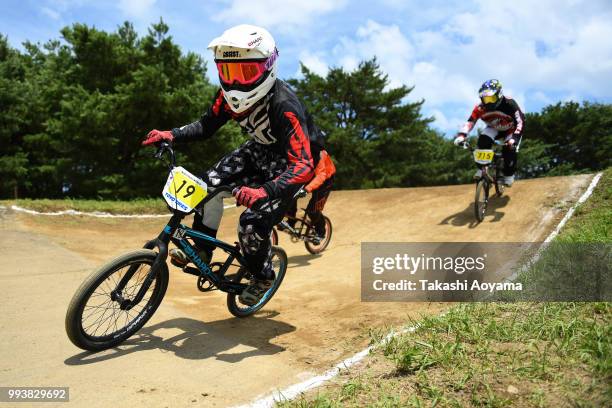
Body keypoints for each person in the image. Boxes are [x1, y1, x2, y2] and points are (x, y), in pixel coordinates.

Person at [142, 24, 315, 305]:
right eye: (227, 72)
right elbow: (206, 125)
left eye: (245, 73)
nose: (235, 83)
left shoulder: (284, 105)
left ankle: (262, 277)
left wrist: (265, 191)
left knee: (250, 224)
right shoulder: (226, 98)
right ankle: (203, 247)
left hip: (286, 168)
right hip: (256, 152)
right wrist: (171, 134)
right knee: (204, 187)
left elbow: (305, 165)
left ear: (268, 67)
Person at [454, 79, 525, 186]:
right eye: (485, 99)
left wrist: (514, 139)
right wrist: (462, 135)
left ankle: (509, 175)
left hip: (511, 129)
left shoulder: (509, 103)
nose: (489, 102)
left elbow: (521, 121)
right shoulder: (479, 108)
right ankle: (483, 169)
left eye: (491, 98)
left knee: (509, 150)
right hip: (494, 128)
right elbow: (470, 122)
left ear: (499, 94)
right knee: (483, 140)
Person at [285, 141, 335, 240]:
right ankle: (291, 220)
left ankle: (321, 232)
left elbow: (321, 176)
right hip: (309, 176)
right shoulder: (295, 149)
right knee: (290, 192)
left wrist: (306, 189)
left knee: (313, 210)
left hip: (325, 180)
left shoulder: (319, 153)